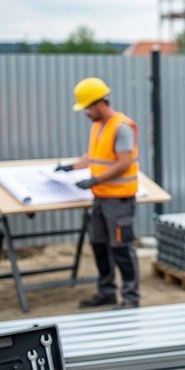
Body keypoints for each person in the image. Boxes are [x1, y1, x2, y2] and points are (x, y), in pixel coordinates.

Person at [57, 77, 141, 309]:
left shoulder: (122, 127)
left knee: (122, 248)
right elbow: (92, 158)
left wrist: (95, 179)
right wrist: (71, 167)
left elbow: (124, 163)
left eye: (87, 108)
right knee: (100, 245)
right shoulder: (98, 126)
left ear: (99, 103)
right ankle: (106, 292)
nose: (86, 113)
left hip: (119, 201)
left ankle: (131, 297)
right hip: (101, 198)